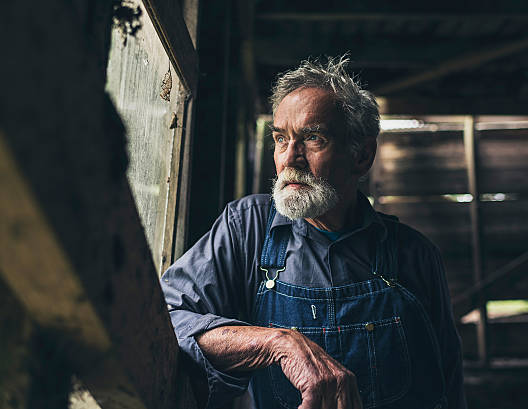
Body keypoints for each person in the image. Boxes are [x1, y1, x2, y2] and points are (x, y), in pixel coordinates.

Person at [161, 56, 467, 409]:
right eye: (280, 139)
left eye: (313, 138)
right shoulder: (247, 228)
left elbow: (449, 386)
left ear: (362, 156)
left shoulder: (415, 255)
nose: (290, 158)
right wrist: (279, 344)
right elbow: (168, 317)